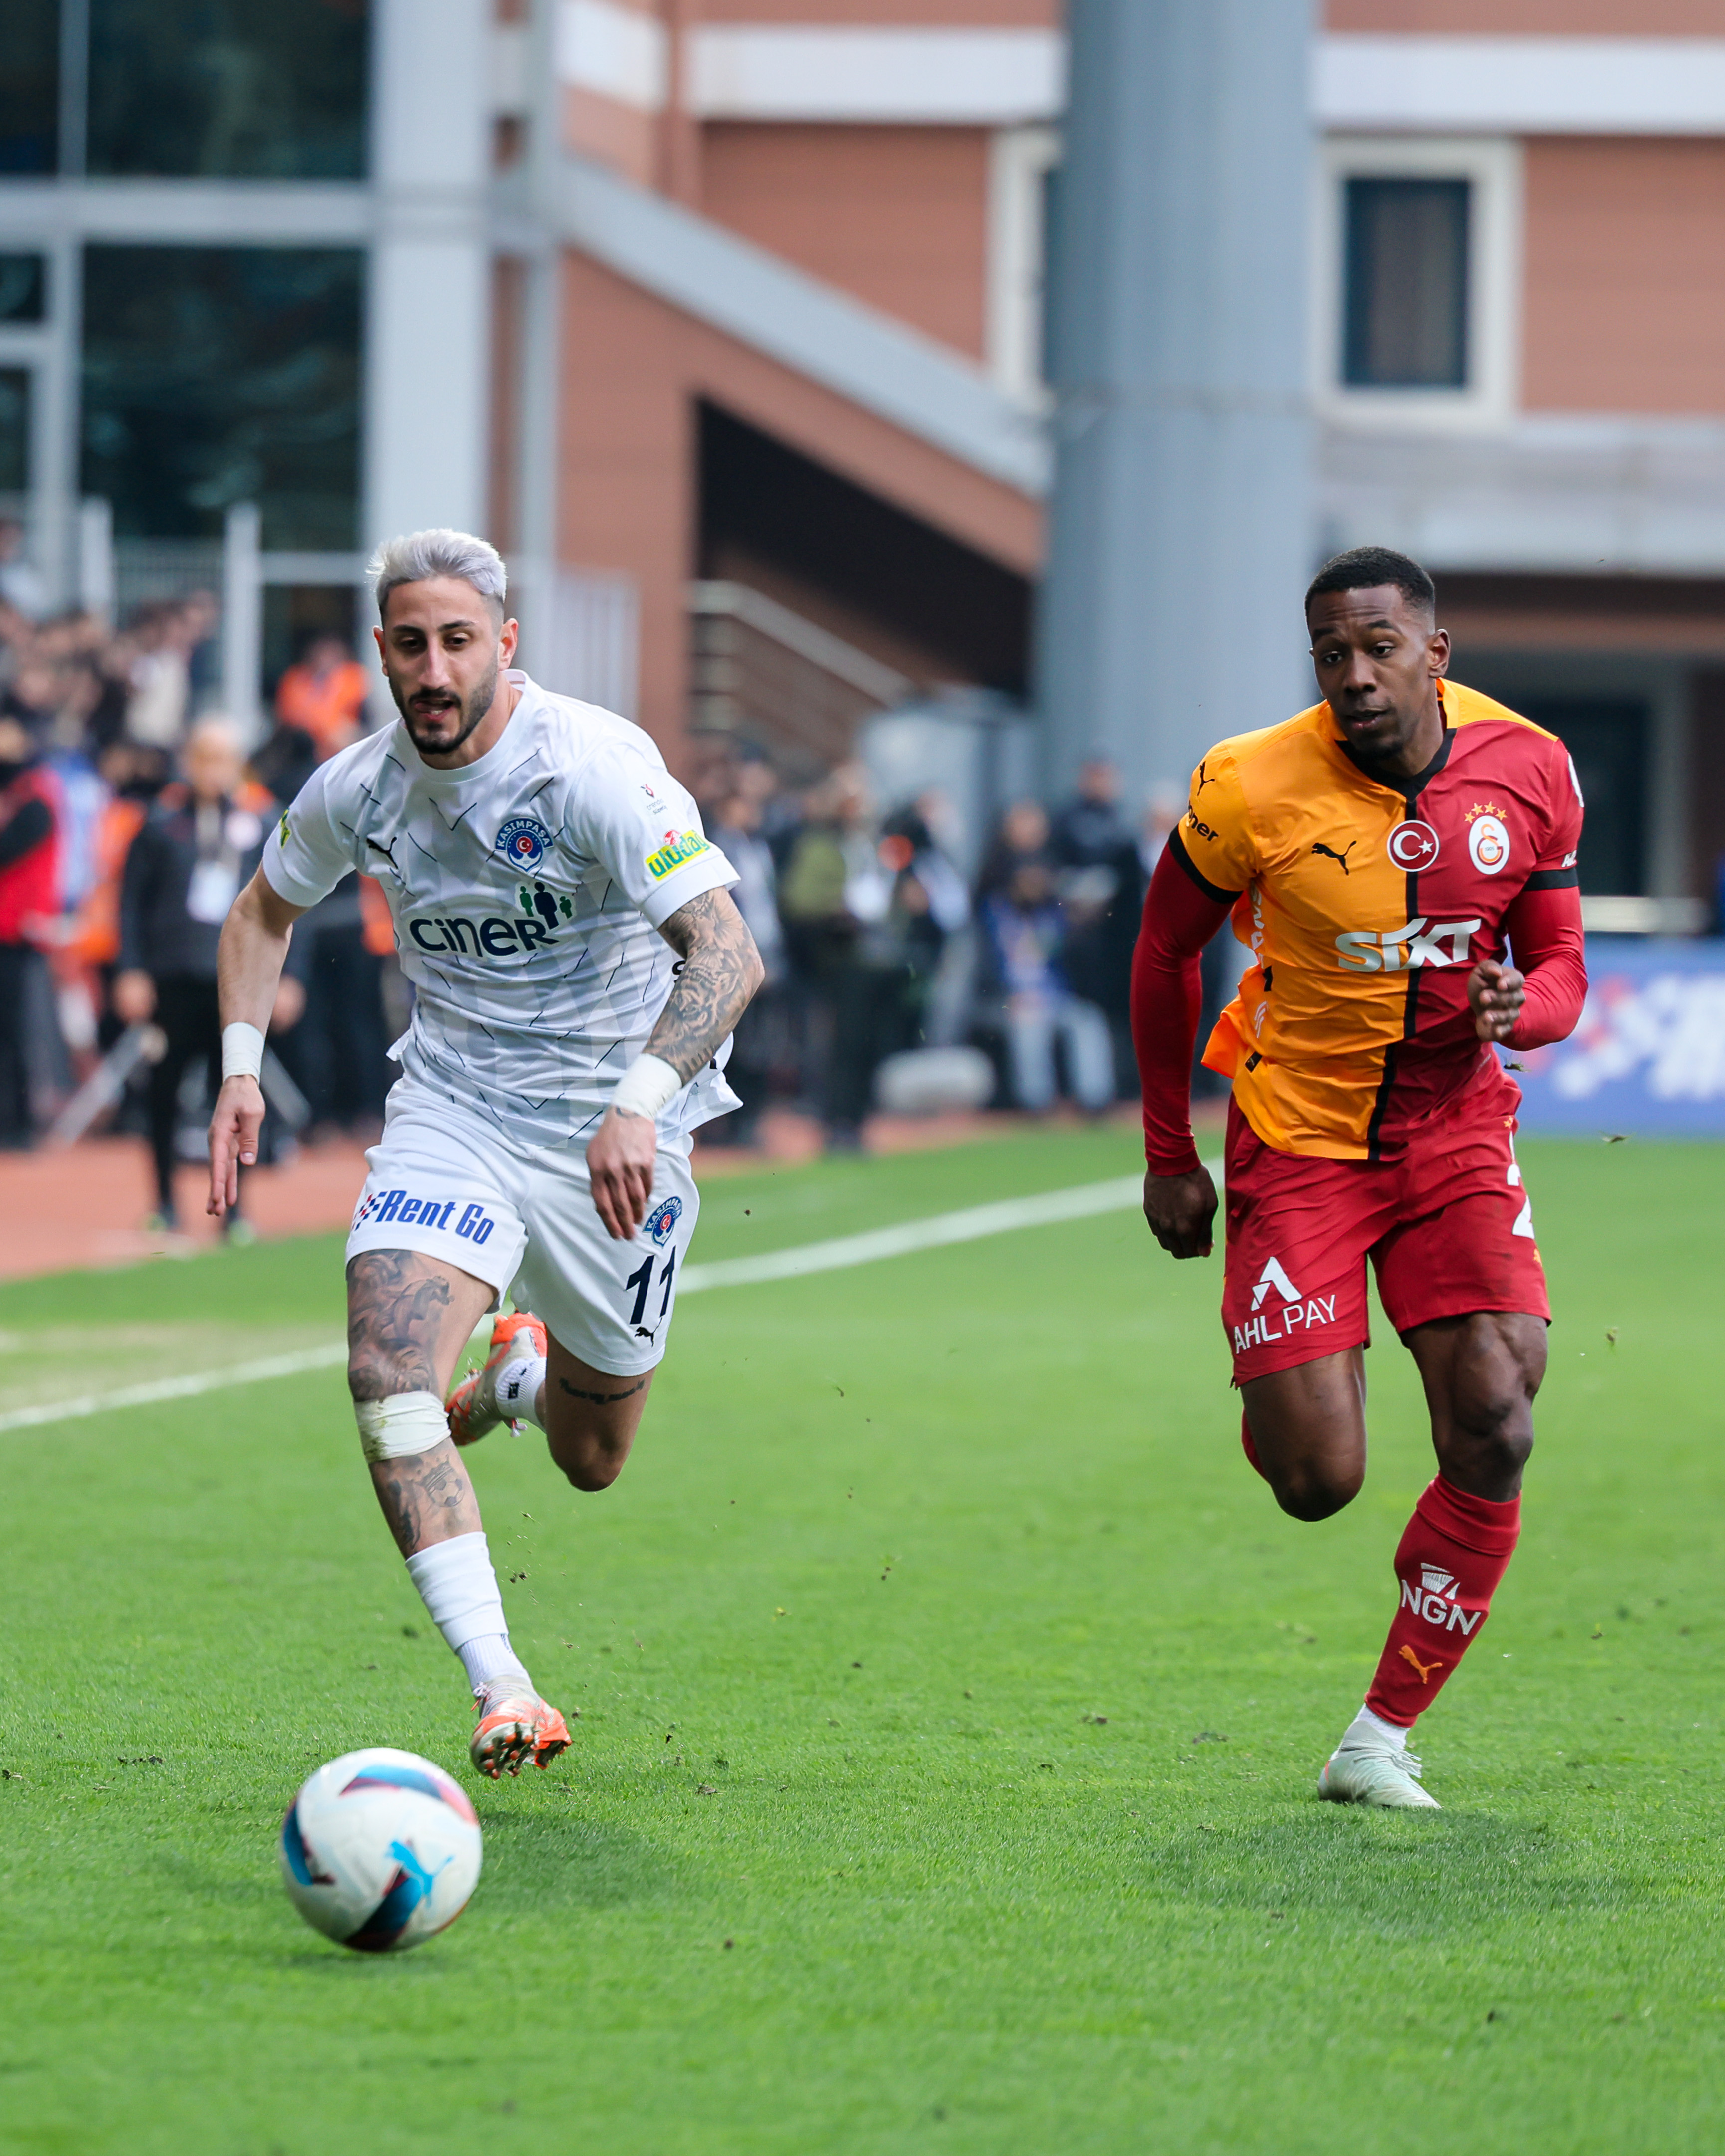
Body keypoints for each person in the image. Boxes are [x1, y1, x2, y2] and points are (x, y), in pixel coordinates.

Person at [206, 529, 763, 1781]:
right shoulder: (359, 785)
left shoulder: (591, 770)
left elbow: (729, 952)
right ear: (381, 653)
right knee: (385, 1366)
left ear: (505, 645)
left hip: (616, 1126)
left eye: (458, 641)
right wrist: (241, 1068)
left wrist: (640, 1099)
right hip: (453, 1108)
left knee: (591, 1458)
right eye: (410, 644)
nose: (434, 668)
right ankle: (501, 1681)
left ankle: (519, 1383)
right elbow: (260, 910)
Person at [1131, 545, 1588, 1809]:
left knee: (1497, 1416)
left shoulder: (1532, 766)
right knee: (1315, 1480)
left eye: (1379, 648)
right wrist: (1168, 1152)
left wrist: (1526, 1009)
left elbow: (1560, 964)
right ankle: (1288, 1376)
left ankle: (1378, 1735)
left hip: (1455, 1129)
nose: (1354, 675)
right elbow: (1165, 949)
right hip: (1299, 1136)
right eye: (1331, 653)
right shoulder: (1248, 783)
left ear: (1433, 653)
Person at [116, 719, 274, 1233]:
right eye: (204, 757)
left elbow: (287, 907)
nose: (213, 769)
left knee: (236, 1088)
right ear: (189, 762)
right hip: (173, 977)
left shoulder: (258, 824)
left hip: (234, 986)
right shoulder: (160, 825)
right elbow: (130, 903)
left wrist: (287, 977)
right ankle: (164, 1200)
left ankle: (236, 1209)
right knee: (162, 1091)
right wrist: (131, 970)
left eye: (222, 758)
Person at [979, 800, 1114, 1115]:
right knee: (1029, 1023)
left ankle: (1095, 1099)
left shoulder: (1052, 915)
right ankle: (1036, 1103)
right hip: (1008, 999)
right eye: (1028, 878)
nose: (1034, 884)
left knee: (1088, 1021)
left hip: (1052, 996)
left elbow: (1070, 955)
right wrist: (1007, 995)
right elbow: (985, 967)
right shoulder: (994, 911)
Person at [0, 716, 59, 1146]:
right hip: (12, 928)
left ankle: (19, 1121)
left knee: (15, 1031)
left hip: (16, 930)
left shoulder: (36, 799)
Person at [275, 634, 371, 761]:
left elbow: (352, 704)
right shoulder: (295, 679)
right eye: (322, 654)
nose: (325, 660)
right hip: (304, 744)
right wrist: (329, 728)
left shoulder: (352, 676)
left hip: (343, 738)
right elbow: (292, 713)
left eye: (332, 655)